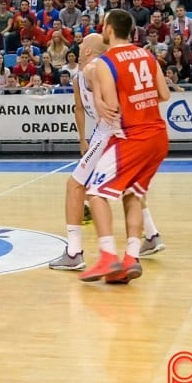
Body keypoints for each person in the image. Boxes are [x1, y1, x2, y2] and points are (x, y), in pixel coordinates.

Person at [49, 34, 165, 272]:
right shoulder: (80, 78)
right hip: (108, 133)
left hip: (110, 132)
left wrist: (105, 100)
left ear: (90, 51)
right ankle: (151, 235)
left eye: (82, 46)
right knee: (129, 188)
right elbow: (80, 108)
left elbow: (94, 71)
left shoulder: (94, 67)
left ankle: (75, 252)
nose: (78, 48)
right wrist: (83, 139)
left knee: (76, 185)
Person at [79, 9, 170, 284]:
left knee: (95, 192)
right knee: (132, 193)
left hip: (133, 136)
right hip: (158, 136)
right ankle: (131, 257)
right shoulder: (147, 55)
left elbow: (111, 107)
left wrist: (98, 94)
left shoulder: (107, 62)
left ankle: (107, 255)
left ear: (108, 29)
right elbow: (164, 94)